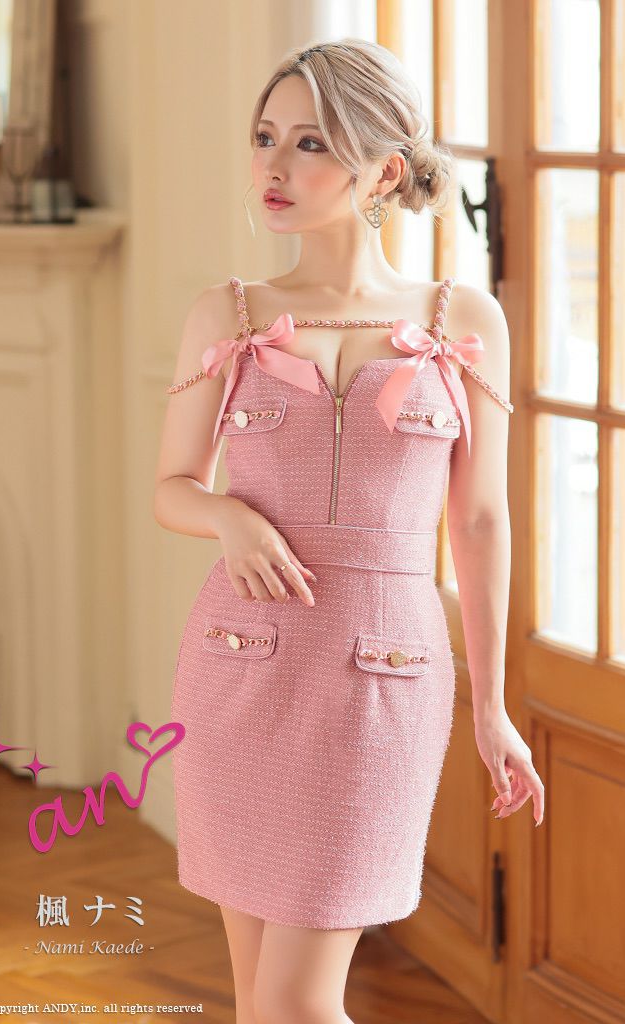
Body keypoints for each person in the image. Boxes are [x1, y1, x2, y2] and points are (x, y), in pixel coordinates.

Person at [154, 37, 544, 1024]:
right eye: (265, 137)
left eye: (312, 143)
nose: (276, 166)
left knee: (296, 1000)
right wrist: (228, 516)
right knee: (260, 1002)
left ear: (385, 174)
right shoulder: (227, 315)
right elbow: (172, 488)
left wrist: (493, 706)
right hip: (239, 667)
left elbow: (480, 519)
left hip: (384, 678)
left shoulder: (461, 322)